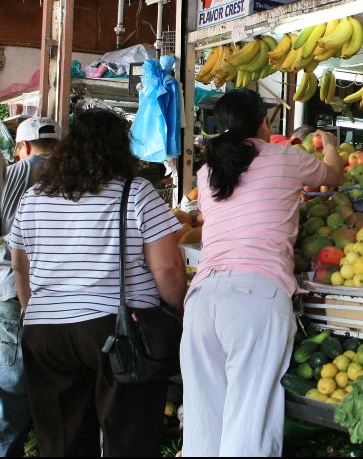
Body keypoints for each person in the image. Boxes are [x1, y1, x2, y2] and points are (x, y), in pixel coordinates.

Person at [6, 109, 186, 456]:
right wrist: (180, 309)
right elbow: (169, 271)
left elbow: (19, 265)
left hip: (46, 333)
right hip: (118, 332)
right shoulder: (136, 193)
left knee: (60, 440)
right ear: (122, 148)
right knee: (128, 439)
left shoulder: (34, 198)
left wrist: (31, 310)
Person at [180, 89, 343, 457]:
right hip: (256, 297)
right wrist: (329, 142)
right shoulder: (285, 157)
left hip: (204, 298)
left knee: (205, 418)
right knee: (249, 418)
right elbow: (332, 177)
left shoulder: (208, 172)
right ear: (265, 122)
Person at [0, 117, 62, 456]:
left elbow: (6, 229)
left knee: (12, 384)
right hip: (63, 293)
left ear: (23, 146)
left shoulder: (17, 171)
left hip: (14, 288)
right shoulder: (77, 172)